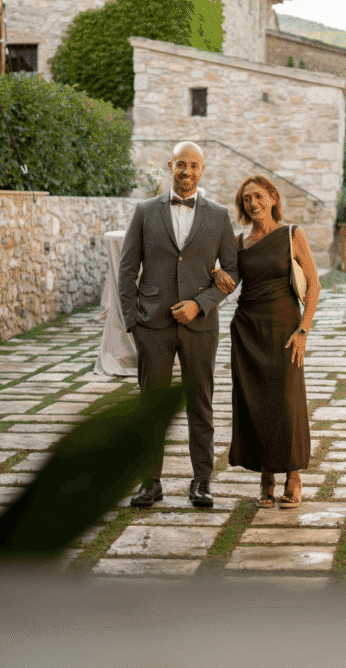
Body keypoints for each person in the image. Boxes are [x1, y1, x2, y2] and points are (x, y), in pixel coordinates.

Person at [117, 141, 239, 508]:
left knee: (200, 403)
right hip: (152, 325)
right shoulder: (144, 211)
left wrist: (201, 304)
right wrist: (133, 322)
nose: (187, 172)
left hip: (200, 327)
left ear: (203, 170)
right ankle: (149, 482)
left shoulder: (219, 215)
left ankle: (201, 481)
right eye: (181, 164)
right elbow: (127, 269)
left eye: (194, 166)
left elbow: (232, 271)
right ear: (170, 166)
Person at [212, 175, 320, 508]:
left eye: (259, 196)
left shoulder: (292, 234)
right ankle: (266, 476)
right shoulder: (238, 242)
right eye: (246, 199)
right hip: (247, 331)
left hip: (284, 330)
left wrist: (303, 330)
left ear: (273, 197)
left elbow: (314, 285)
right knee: (254, 404)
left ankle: (293, 476)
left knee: (288, 403)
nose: (253, 203)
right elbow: (230, 282)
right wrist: (216, 273)